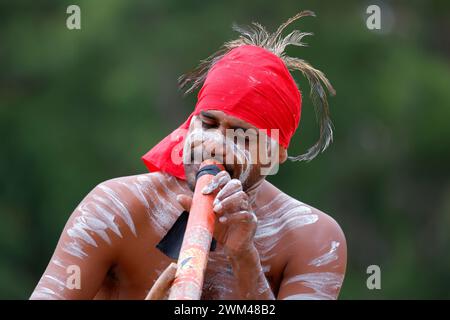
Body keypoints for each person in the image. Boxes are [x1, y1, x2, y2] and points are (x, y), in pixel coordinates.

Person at [30, 11, 347, 300]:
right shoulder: (116, 208)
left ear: (273, 154)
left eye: (242, 135)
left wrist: (245, 258)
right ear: (190, 122)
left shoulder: (312, 237)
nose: (215, 145)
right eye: (208, 123)